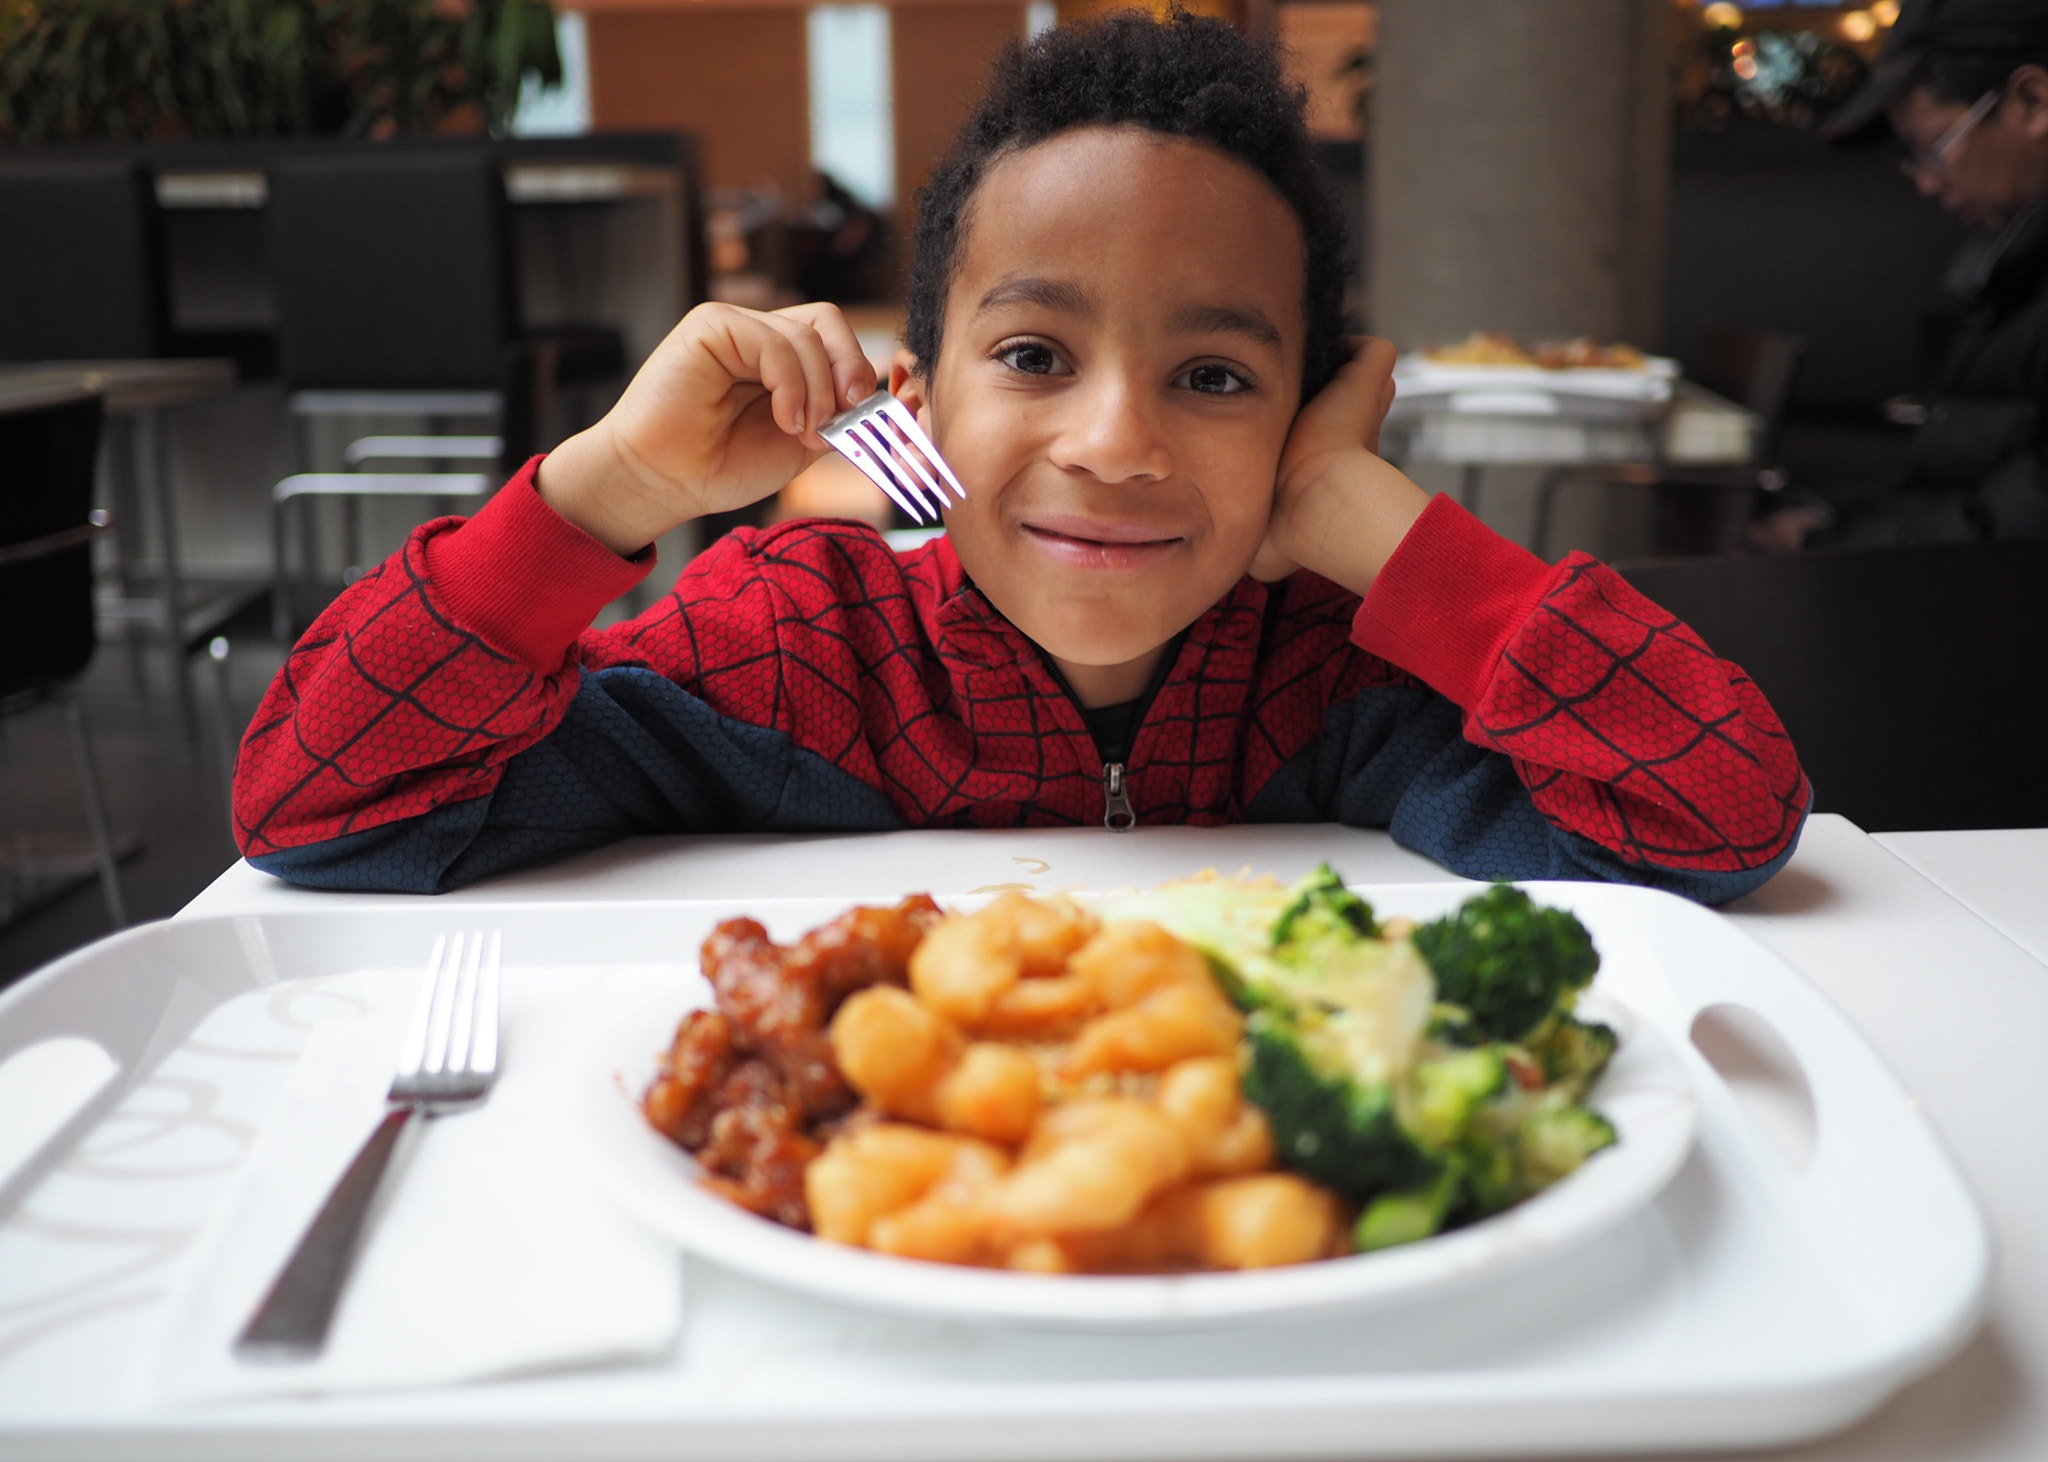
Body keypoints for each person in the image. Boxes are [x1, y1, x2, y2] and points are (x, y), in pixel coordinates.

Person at [231, 13, 1807, 904]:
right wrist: (605, 494)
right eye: (1036, 356)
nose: (1115, 444)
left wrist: (1384, 540)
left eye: (1213, 375)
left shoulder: (1343, 682)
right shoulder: (789, 651)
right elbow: (316, 814)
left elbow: (1723, 820)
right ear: (917, 401)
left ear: (1304, 411)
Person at [1783, 0, 2048, 546]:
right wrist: (1834, 517)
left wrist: (1831, 545)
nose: (1927, 183)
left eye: (1933, 150)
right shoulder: (2015, 265)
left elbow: (2022, 524)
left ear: (2033, 102)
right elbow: (1957, 478)